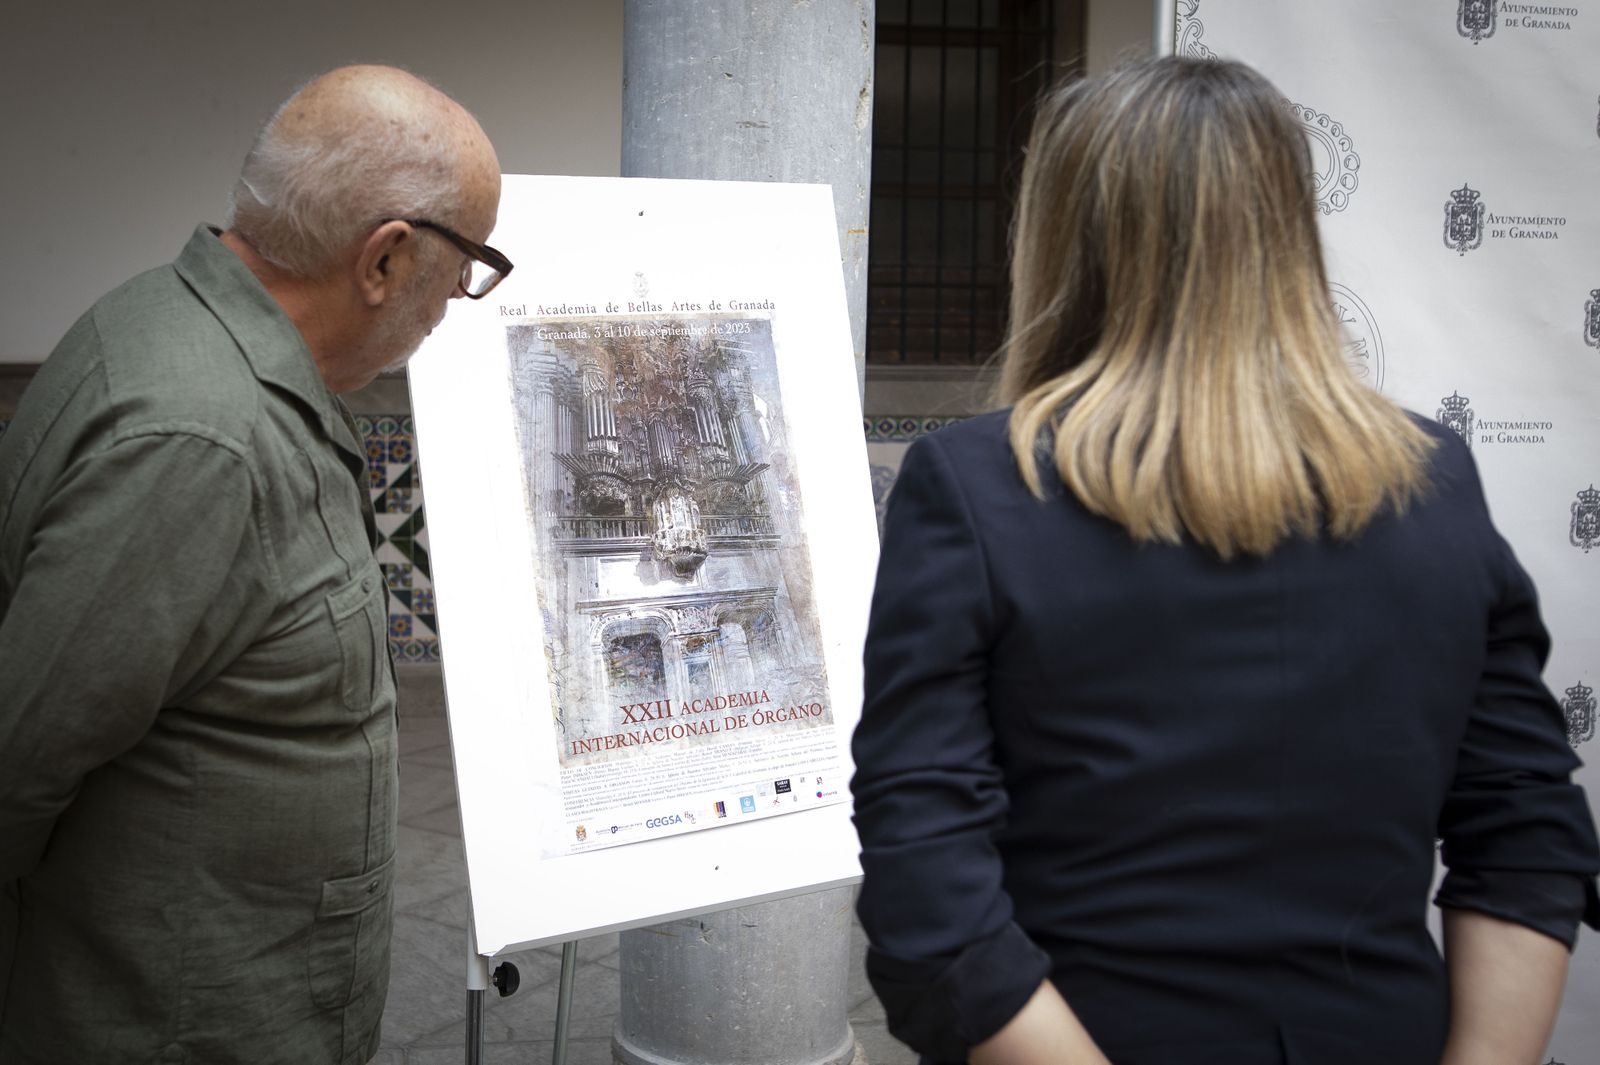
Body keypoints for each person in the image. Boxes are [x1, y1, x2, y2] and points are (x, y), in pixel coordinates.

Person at [851, 57, 1599, 1065]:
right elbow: (1524, 836)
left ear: (1062, 234)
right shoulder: (1437, 476)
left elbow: (929, 896)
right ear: (1286, 230)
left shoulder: (974, 487)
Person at [0, 66, 508, 1064]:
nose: (459, 299)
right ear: (384, 258)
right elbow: (21, 757)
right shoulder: (201, 438)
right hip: (178, 1016)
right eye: (467, 264)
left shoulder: (189, 327)